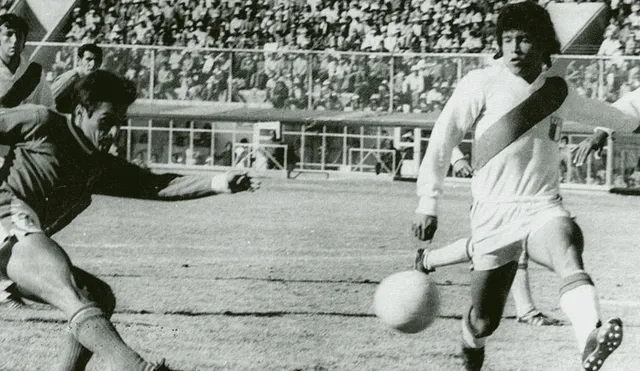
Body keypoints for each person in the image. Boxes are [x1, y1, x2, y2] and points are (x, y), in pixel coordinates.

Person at [412, 3, 640, 371]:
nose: (514, 49)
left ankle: (590, 338)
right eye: (507, 40)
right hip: (492, 214)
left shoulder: (557, 91)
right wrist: (428, 201)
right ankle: (471, 349)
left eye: (524, 40)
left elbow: (617, 117)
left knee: (567, 244)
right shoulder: (480, 83)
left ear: (544, 44)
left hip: (541, 206)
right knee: (484, 321)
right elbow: (442, 138)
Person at [0, 70, 259, 371]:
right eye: (106, 122)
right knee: (70, 290)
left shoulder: (98, 165)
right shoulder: (42, 122)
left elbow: (157, 185)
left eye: (120, 124)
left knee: (95, 296)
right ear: (81, 112)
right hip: (7, 217)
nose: (114, 133)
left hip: (15, 240)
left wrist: (220, 182)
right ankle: (134, 367)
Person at [0, 13, 53, 107]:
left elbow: (48, 106)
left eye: (19, 35)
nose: (15, 40)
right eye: (9, 34)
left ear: (24, 41)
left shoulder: (33, 71)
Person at [51, 43, 103, 113]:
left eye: (97, 60)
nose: (93, 64)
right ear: (79, 60)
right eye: (88, 59)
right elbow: (47, 100)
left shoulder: (92, 79)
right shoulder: (72, 77)